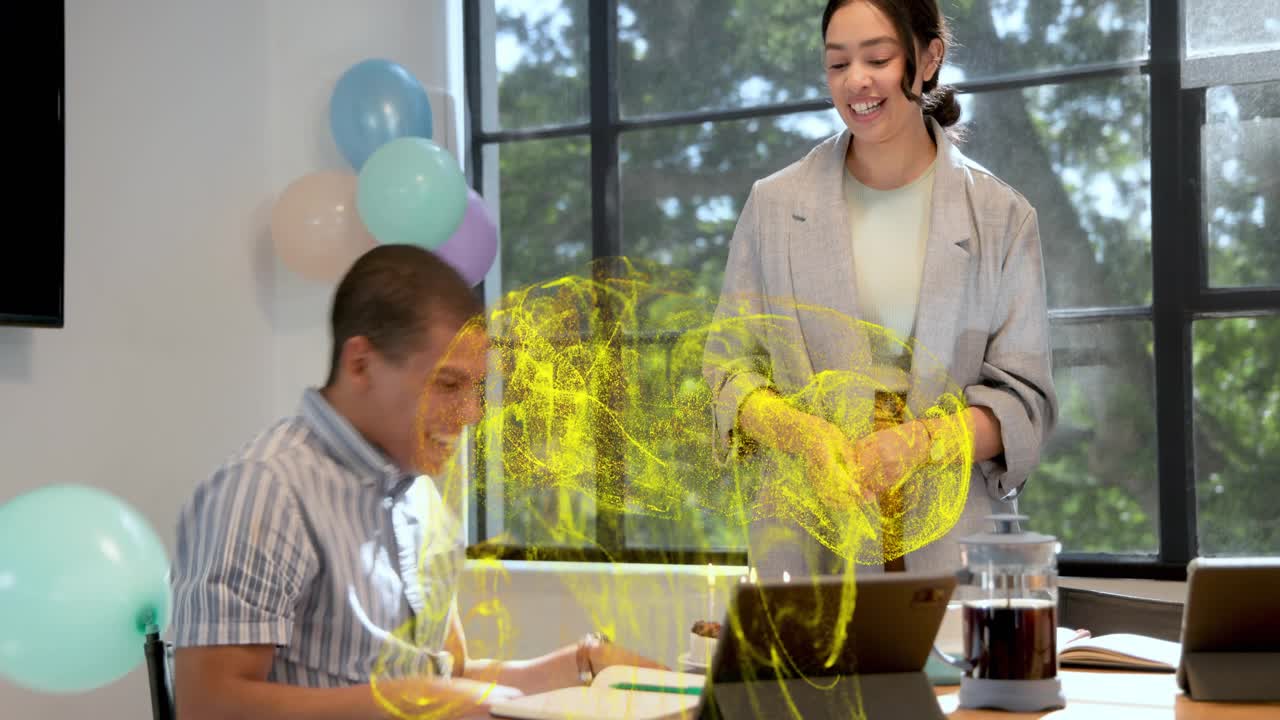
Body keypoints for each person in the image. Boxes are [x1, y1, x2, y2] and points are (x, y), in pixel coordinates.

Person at [170, 244, 662, 720]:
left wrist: (585, 665)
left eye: (475, 387)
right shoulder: (266, 490)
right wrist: (406, 703)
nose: (470, 413)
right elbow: (208, 706)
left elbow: (451, 677)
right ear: (360, 364)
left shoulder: (417, 493)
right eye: (448, 384)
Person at [703, 0, 1058, 580]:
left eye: (878, 58)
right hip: (807, 534)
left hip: (953, 537)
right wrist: (806, 435)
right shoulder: (774, 205)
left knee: (947, 670)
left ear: (927, 59)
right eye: (838, 64)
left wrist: (919, 444)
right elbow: (727, 373)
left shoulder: (1001, 215)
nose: (856, 82)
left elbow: (1023, 401)